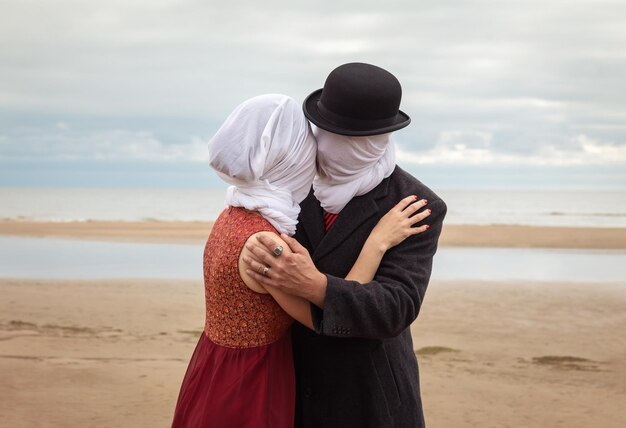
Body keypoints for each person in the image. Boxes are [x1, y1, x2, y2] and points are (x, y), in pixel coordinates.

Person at [170, 94, 432, 427]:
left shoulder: (233, 214)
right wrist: (376, 243)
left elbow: (395, 308)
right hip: (255, 380)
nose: (316, 149)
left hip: (220, 369)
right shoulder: (265, 239)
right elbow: (317, 319)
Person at [244, 63, 447, 428]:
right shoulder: (292, 185)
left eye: (346, 138)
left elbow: (395, 309)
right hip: (290, 384)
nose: (328, 145)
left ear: (377, 140)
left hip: (367, 396)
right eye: (325, 131)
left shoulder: (415, 203)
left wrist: (315, 285)